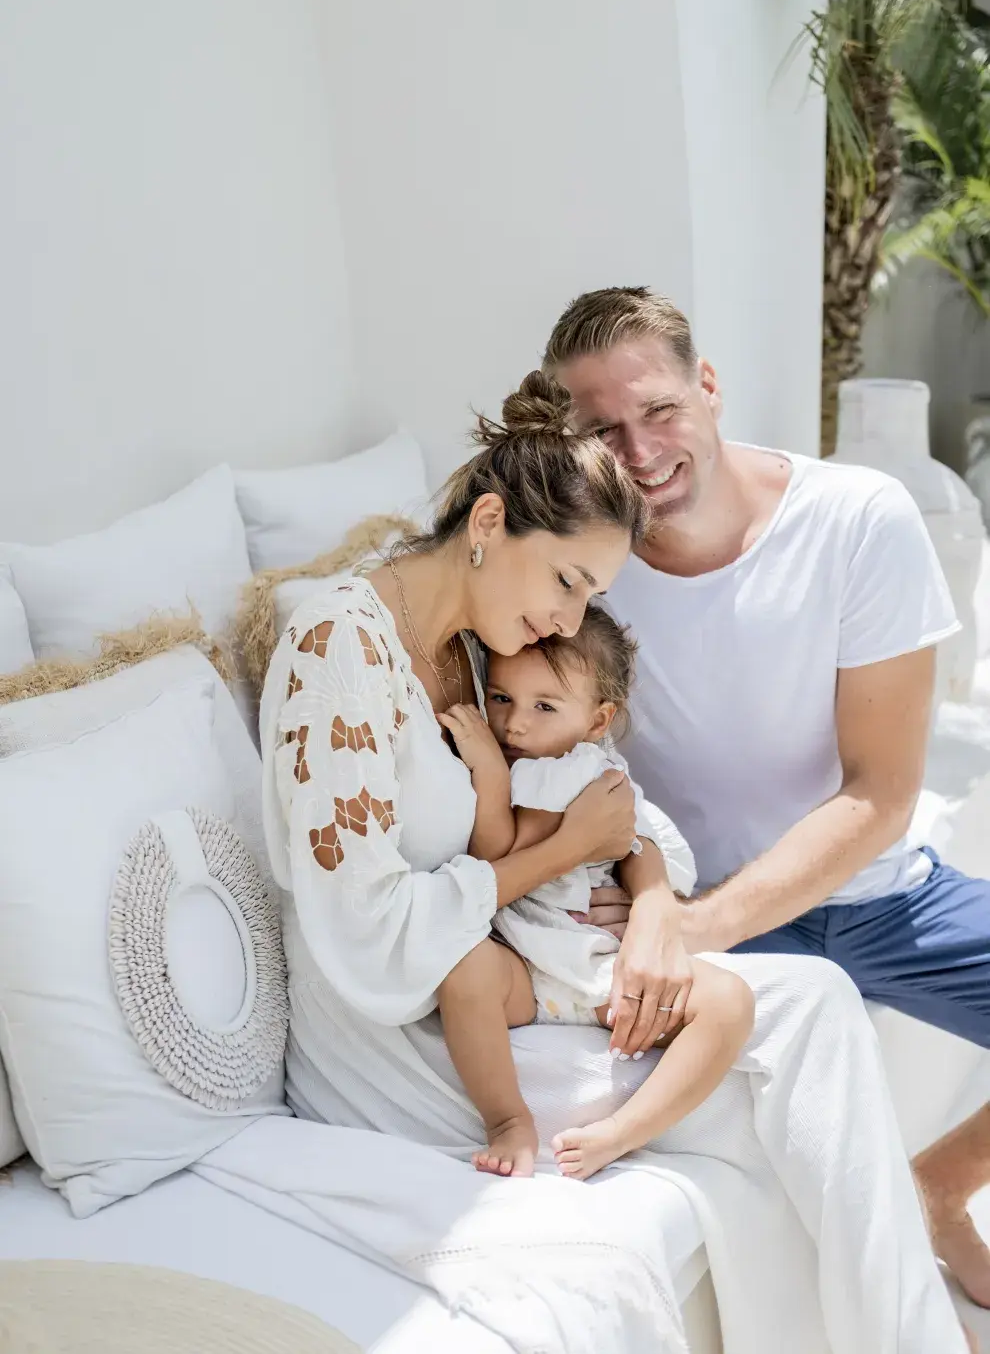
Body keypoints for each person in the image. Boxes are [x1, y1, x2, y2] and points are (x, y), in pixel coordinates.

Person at [260, 369, 971, 1351]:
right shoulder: (337, 646)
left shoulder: (469, 646)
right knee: (801, 1032)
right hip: (404, 1038)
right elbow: (372, 939)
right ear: (490, 521)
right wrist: (567, 849)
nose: (565, 622)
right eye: (564, 582)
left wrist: (639, 895)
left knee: (814, 1006)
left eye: (589, 595)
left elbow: (586, 809)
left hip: (511, 985)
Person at [542, 284, 990, 1311]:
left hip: (875, 896)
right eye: (603, 431)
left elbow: (880, 795)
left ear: (708, 386)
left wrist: (691, 928)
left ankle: (945, 1185)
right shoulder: (584, 571)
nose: (641, 450)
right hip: (725, 923)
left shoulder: (857, 520)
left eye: (658, 410)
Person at [437, 603, 754, 1181]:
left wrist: (487, 769)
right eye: (502, 698)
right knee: (464, 974)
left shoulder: (564, 773)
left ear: (598, 720)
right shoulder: (556, 760)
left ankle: (623, 1131)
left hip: (594, 967)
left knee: (730, 1002)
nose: (515, 725)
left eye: (544, 706)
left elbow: (496, 852)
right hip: (523, 969)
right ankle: (508, 1119)